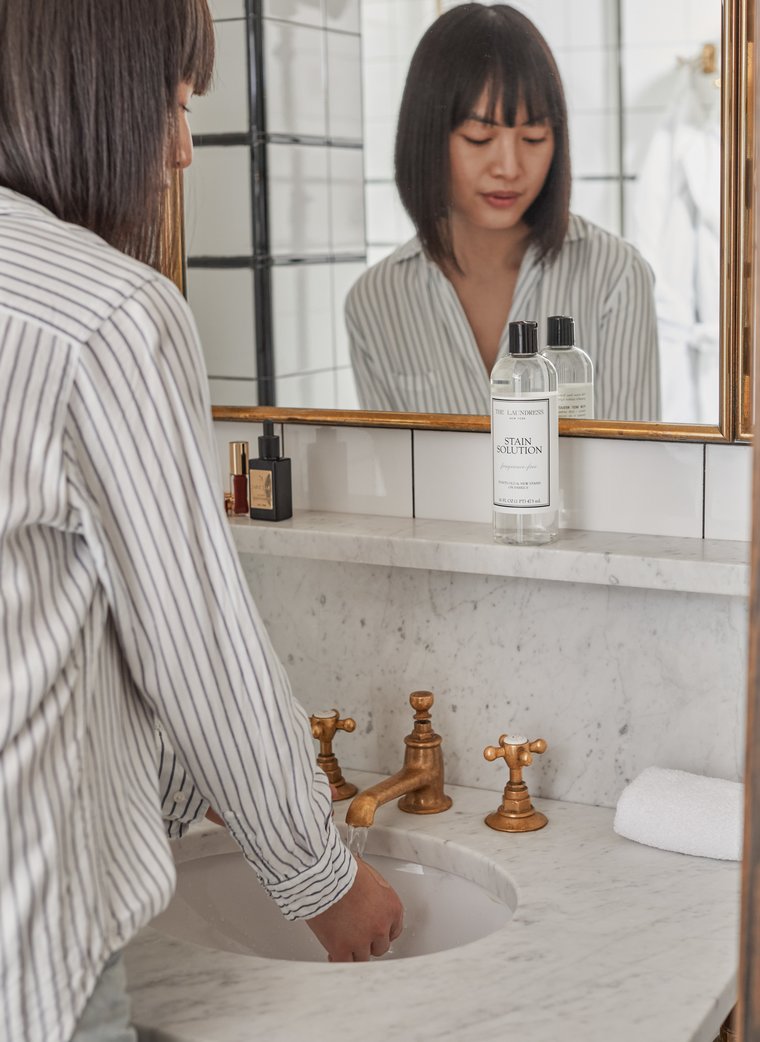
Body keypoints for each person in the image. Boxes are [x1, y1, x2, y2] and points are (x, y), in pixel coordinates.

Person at [0, 3, 402, 1042]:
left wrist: (205, 786)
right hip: (33, 960)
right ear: (90, 95)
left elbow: (56, 630)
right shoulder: (102, 314)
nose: (184, 149)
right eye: (175, 104)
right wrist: (324, 880)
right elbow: (199, 651)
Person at [347, 3, 660, 422]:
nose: (509, 168)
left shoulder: (615, 276)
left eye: (533, 137)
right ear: (427, 138)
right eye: (479, 137)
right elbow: (399, 474)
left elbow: (636, 467)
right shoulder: (376, 301)